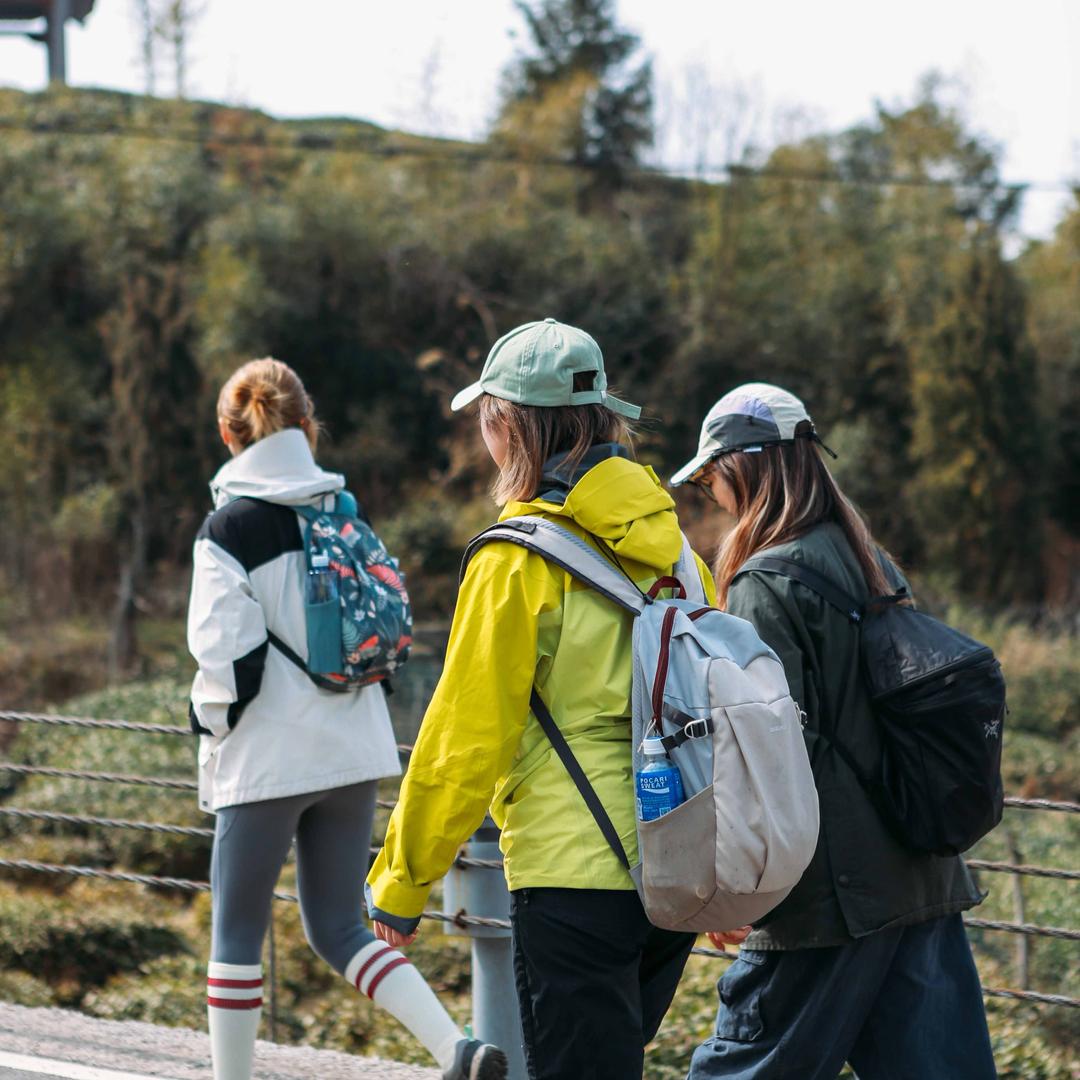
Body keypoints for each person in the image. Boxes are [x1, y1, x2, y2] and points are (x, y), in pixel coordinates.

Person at [366, 318, 719, 1080]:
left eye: (489, 420)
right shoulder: (680, 554)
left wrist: (402, 880)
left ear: (510, 426)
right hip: (678, 865)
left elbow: (465, 734)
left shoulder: (516, 559)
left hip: (573, 874)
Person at [187, 357, 507, 1080]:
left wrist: (209, 730)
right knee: (339, 928)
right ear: (306, 426)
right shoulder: (341, 514)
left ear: (226, 432)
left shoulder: (227, 528)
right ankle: (458, 1049)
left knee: (235, 935)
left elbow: (225, 657)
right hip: (355, 751)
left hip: (267, 758)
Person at [672, 383, 996, 1080]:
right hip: (920, 877)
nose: (712, 496)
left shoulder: (764, 580)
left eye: (711, 478)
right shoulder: (873, 563)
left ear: (745, 467)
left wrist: (739, 889)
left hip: (829, 901)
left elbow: (762, 756)